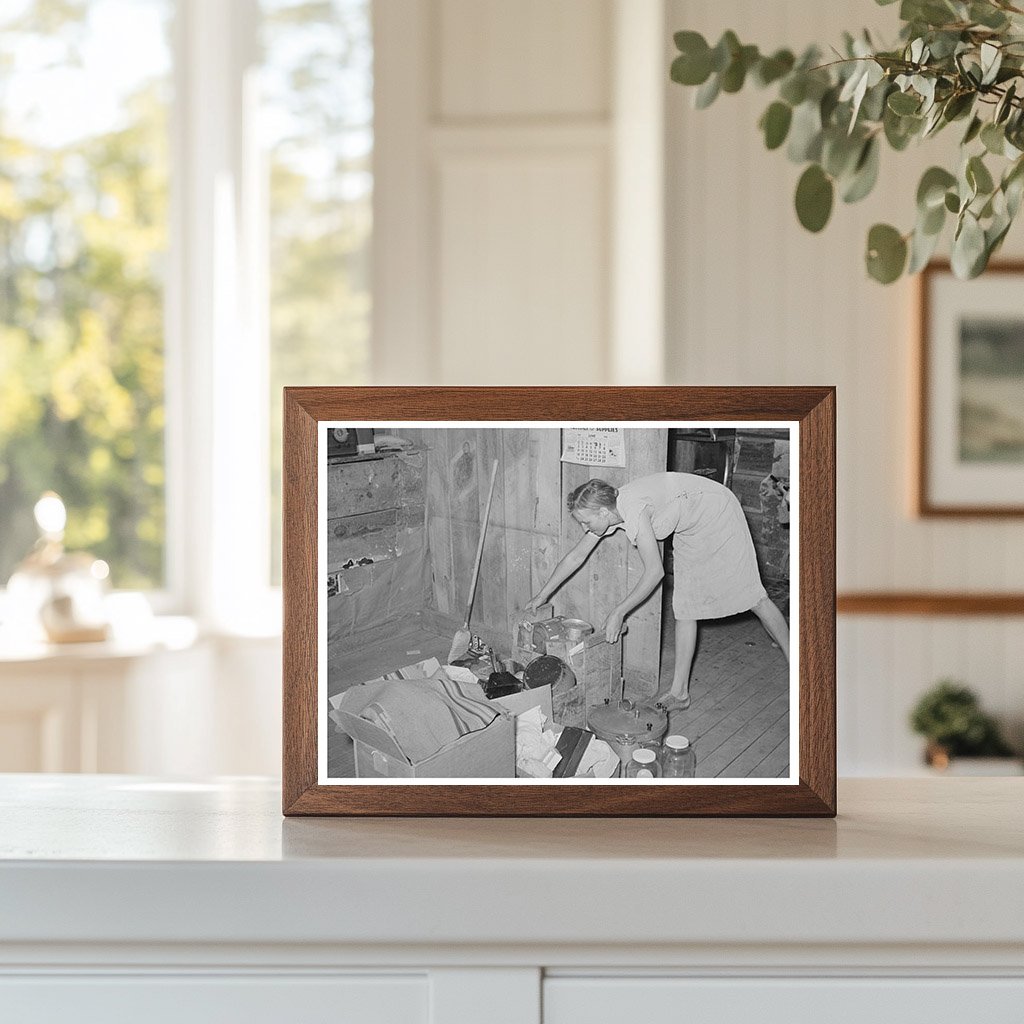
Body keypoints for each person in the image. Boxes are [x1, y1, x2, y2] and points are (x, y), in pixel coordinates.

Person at [526, 473, 789, 711]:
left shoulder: (633, 511)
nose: (584, 528)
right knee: (686, 606)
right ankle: (680, 693)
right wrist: (542, 595)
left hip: (715, 510)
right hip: (689, 523)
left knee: (753, 595)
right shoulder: (609, 512)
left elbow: (655, 572)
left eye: (585, 522)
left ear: (604, 513)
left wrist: (619, 611)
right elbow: (576, 556)